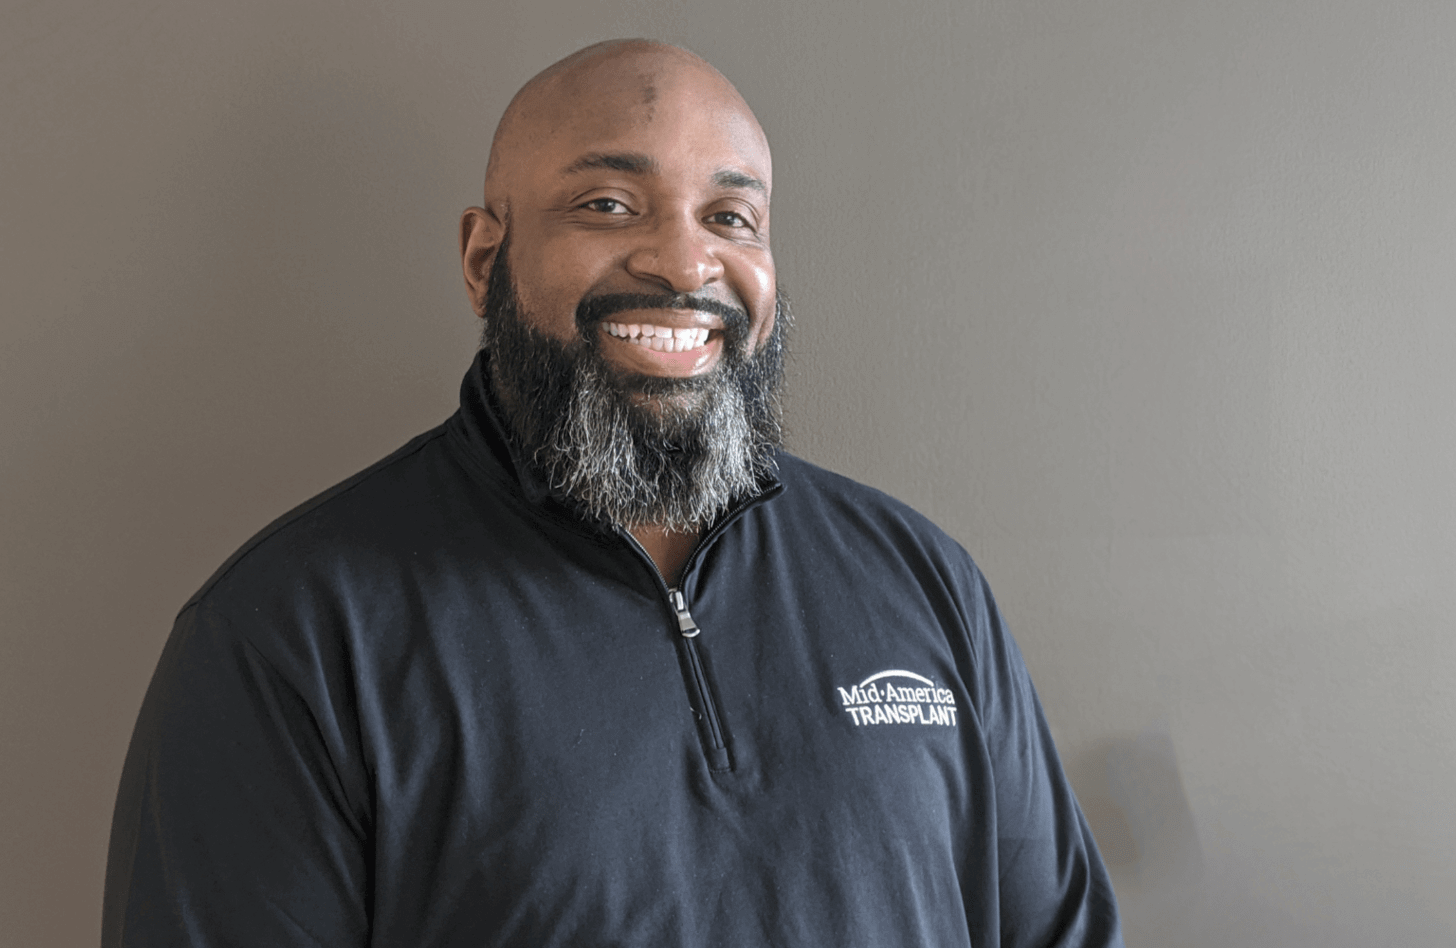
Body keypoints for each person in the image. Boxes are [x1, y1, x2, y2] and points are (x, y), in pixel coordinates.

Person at [103, 39, 1123, 948]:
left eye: (731, 216)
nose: (684, 259)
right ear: (482, 257)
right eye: (607, 204)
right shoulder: (291, 636)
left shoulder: (919, 580)